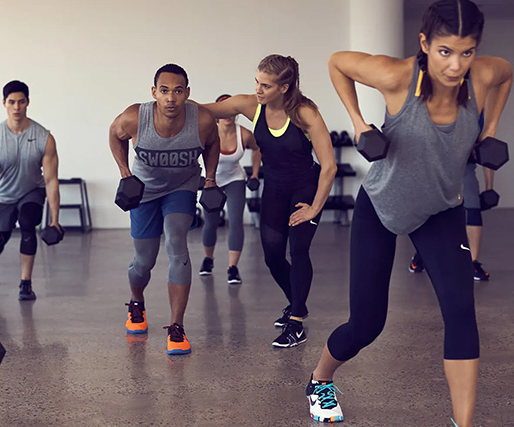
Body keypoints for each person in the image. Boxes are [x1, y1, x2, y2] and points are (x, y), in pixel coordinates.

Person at [306, 1, 512, 425]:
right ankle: (319, 379)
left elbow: (507, 72)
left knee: (460, 311)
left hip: (440, 210)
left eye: (467, 52)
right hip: (380, 207)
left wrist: (490, 129)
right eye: (444, 52)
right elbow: (337, 62)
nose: (456, 65)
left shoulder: (482, 76)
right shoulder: (399, 76)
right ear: (424, 43)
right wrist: (359, 123)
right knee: (366, 325)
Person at [200, 54, 336, 348]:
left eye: (266, 86)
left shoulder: (305, 113)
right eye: (257, 82)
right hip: (274, 188)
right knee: (273, 255)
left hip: (305, 189)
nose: (258, 90)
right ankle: (297, 302)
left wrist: (315, 207)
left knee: (298, 250)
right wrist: (168, 106)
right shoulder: (251, 105)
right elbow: (205, 110)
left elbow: (329, 166)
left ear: (285, 88)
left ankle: (297, 321)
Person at [109, 64, 220, 355]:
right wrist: (125, 174)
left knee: (176, 242)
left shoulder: (203, 119)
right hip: (144, 191)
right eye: (165, 91)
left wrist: (209, 179)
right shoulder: (136, 117)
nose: (171, 98)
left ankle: (176, 327)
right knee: (143, 261)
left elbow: (212, 144)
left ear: (187, 93)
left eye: (178, 91)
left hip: (181, 187)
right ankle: (137, 302)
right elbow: (114, 135)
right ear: (154, 92)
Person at [0, 80, 61, 301]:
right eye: (12, 102)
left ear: (28, 102)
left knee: (28, 225)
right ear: (4, 103)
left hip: (31, 192)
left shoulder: (44, 137)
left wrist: (54, 220)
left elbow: (52, 180)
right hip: (4, 195)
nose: (17, 107)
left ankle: (25, 284)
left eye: (21, 102)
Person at [409, 113, 495, 281]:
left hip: (464, 168)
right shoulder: (435, 105)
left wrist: (489, 187)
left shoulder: (479, 113)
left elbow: (489, 150)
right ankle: (421, 254)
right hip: (433, 166)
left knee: (473, 208)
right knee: (429, 210)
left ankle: (473, 262)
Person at [198, 94, 261, 284]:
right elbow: (194, 152)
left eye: (229, 109)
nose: (227, 114)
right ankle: (208, 259)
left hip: (235, 179)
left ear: (234, 113)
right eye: (222, 109)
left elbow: (258, 149)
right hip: (212, 181)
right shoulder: (206, 132)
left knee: (235, 221)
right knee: (210, 222)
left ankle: (232, 268)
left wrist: (255, 174)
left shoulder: (245, 134)